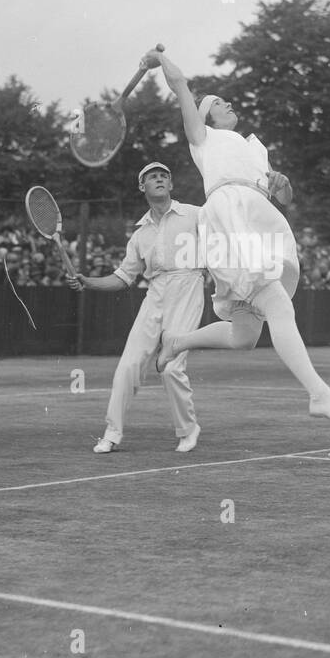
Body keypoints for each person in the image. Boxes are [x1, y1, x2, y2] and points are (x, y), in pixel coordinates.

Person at [145, 48, 330, 424]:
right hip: (230, 215)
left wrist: (283, 186)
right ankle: (320, 395)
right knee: (278, 304)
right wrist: (159, 60)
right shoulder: (203, 137)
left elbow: (283, 197)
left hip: (260, 215)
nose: (228, 104)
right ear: (206, 115)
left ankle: (178, 342)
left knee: (244, 337)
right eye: (219, 103)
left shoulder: (255, 148)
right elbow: (180, 83)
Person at [69, 161, 206, 453]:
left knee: (170, 367)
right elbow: (123, 278)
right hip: (155, 292)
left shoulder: (196, 214)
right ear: (142, 187)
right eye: (151, 177)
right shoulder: (140, 234)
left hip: (189, 285)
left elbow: (223, 239)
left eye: (163, 176)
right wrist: (88, 282)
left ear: (171, 185)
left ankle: (188, 429)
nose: (158, 179)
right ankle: (111, 433)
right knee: (128, 365)